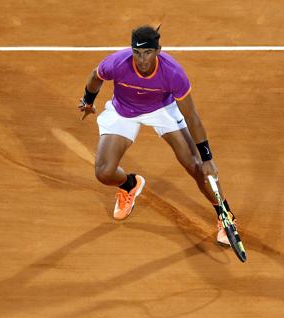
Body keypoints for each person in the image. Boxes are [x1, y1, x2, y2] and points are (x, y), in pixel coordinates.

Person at [78, 25, 237, 245]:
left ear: (158, 50)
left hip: (162, 110)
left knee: (196, 165)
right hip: (124, 110)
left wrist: (208, 158)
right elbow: (97, 76)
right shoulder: (117, 62)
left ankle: (225, 215)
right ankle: (129, 185)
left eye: (147, 53)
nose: (141, 59)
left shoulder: (173, 73)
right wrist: (88, 101)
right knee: (104, 172)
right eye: (136, 52)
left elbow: (192, 116)